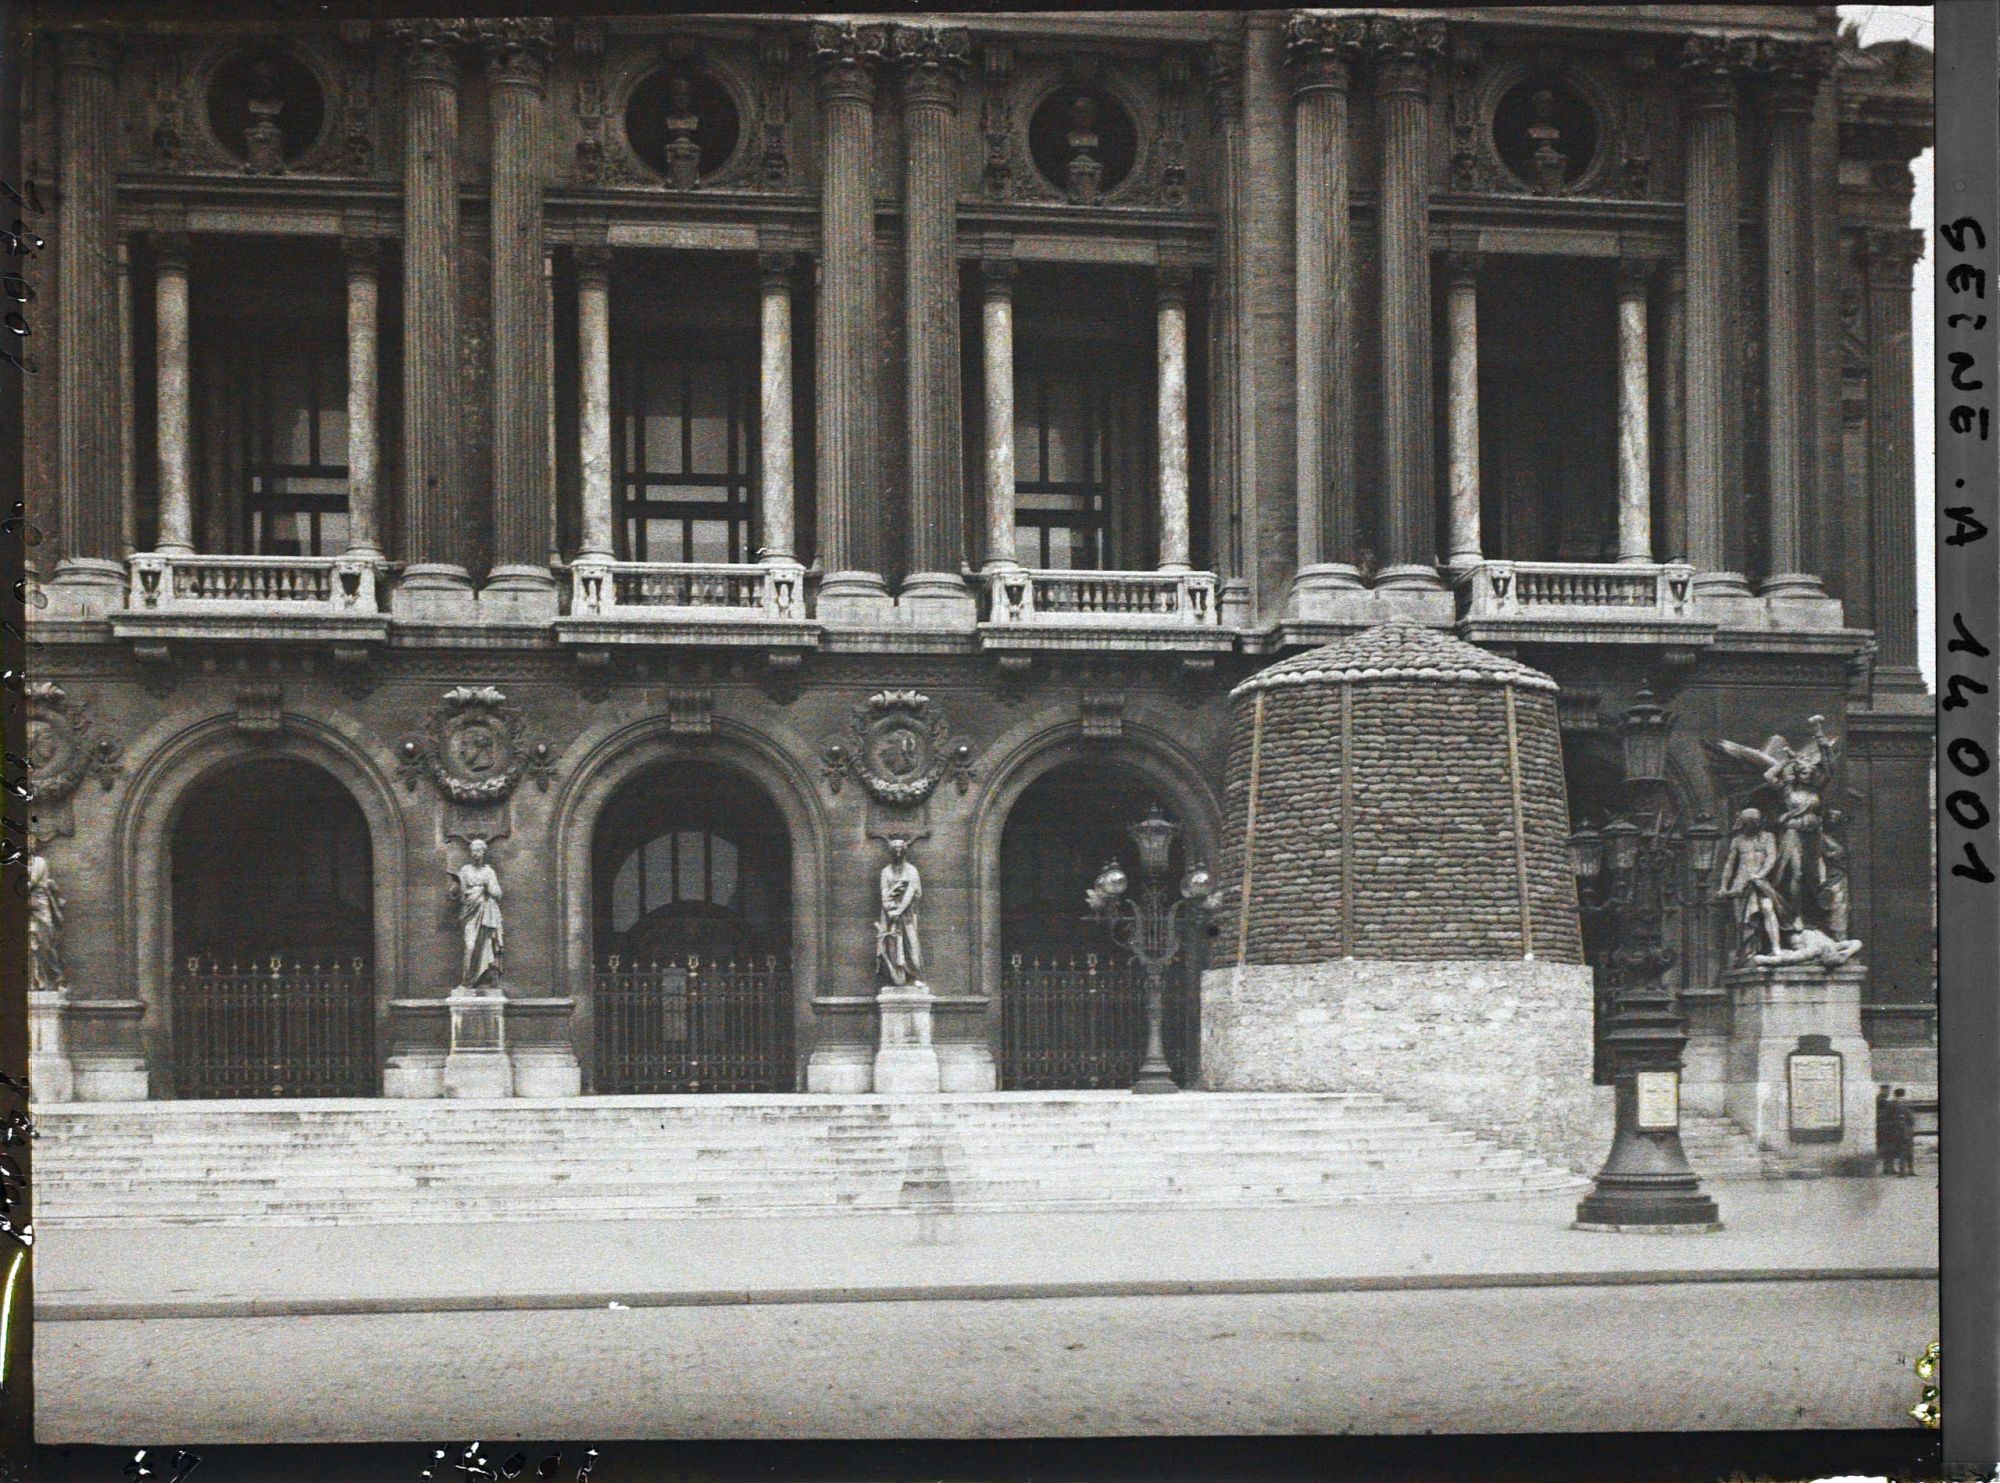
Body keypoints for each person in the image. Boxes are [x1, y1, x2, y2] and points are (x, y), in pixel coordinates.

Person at [1716, 807, 1786, 961]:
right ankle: (1747, 952)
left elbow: (1771, 858)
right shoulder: (1738, 840)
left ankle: (1776, 947)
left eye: (1754, 823)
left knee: (1768, 909)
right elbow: (1729, 864)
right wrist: (1723, 886)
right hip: (1741, 883)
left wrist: (1759, 875)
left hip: (1760, 881)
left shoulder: (1768, 837)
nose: (1751, 826)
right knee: (1742, 920)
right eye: (1748, 823)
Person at [450, 837, 505, 990]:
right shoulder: (465, 870)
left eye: (478, 850)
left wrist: (488, 887)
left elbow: (498, 893)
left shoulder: (489, 872)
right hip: (469, 911)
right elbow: (456, 893)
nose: (475, 853)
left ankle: (482, 979)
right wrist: (456, 888)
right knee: (470, 945)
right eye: (473, 850)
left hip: (485, 912)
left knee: (485, 944)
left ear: (483, 852)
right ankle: (467, 980)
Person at [875, 837, 923, 987]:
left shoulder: (911, 870)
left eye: (900, 850)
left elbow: (911, 891)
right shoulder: (886, 872)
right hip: (890, 916)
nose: (897, 853)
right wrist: (890, 911)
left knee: (911, 945)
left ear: (904, 851)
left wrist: (899, 911)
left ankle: (914, 976)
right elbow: (884, 892)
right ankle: (896, 977)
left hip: (907, 915)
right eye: (894, 850)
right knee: (892, 945)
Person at [1889, 1088, 1916, 1176]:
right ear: (1903, 1095)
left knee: (1901, 1151)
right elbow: (1911, 1119)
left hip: (1895, 1131)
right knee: (1908, 1151)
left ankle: (1902, 1171)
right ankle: (1910, 1170)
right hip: (1906, 1131)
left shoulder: (1891, 1104)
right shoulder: (1903, 1105)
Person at [1876, 1086, 1895, 1176]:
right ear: (1883, 1090)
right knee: (1888, 1148)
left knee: (1888, 1148)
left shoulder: (1881, 1100)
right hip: (1884, 1128)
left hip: (1884, 1127)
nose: (1888, 1093)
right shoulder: (1881, 1101)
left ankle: (1888, 1168)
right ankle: (1887, 1168)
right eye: (1887, 1091)